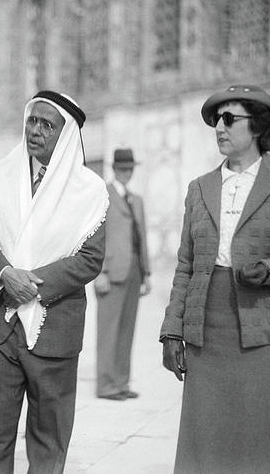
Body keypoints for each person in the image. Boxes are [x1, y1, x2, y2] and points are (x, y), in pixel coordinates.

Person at [160, 84, 270, 474]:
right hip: (207, 326)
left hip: (263, 326)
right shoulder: (199, 188)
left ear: (258, 127)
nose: (219, 128)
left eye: (229, 119)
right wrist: (172, 331)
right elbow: (186, 263)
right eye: (216, 121)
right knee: (205, 440)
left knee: (261, 439)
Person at [0, 90, 108, 474]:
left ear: (64, 136)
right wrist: (5, 275)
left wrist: (32, 283)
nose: (36, 130)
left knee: (49, 437)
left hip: (55, 328)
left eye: (47, 124)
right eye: (32, 120)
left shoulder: (90, 190)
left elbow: (90, 258)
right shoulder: (0, 176)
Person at [94, 147, 150, 400]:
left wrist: (146, 272)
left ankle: (121, 383)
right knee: (109, 330)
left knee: (127, 329)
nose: (127, 173)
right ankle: (106, 386)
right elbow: (96, 235)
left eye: (130, 169)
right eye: (122, 169)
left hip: (134, 270)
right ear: (114, 169)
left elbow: (142, 237)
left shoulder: (136, 199)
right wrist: (100, 272)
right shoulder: (102, 195)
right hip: (111, 271)